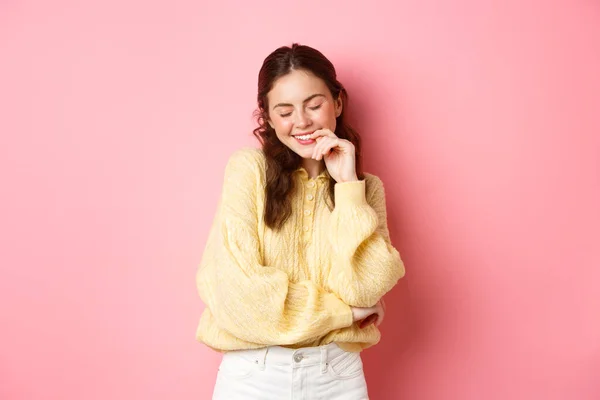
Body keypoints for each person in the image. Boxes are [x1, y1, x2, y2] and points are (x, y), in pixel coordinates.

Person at [195, 43, 405, 400]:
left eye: (314, 104)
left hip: (337, 376)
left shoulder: (365, 189)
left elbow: (366, 288)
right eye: (285, 110)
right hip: (254, 377)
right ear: (268, 116)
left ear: (337, 103)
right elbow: (238, 299)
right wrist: (344, 312)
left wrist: (348, 187)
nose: (303, 122)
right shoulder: (249, 171)